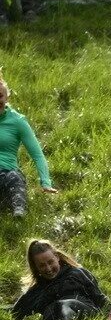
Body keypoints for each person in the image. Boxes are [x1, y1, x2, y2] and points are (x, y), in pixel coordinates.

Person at [11, 239, 109, 320]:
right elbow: (15, 312)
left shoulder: (77, 273)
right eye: (42, 265)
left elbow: (101, 299)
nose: (48, 268)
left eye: (50, 262)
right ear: (36, 268)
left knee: (62, 304)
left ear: (57, 257)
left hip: (84, 311)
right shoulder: (37, 290)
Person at [0, 73, 57, 218]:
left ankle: (19, 210)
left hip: (6, 173)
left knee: (15, 177)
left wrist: (45, 182)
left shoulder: (18, 121)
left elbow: (37, 154)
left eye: (0, 96)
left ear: (7, 97)